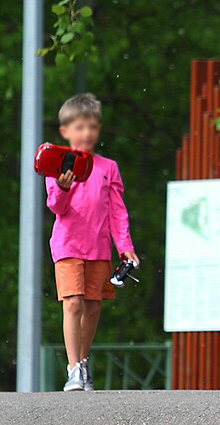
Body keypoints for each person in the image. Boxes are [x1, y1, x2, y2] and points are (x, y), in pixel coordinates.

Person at [45, 93, 138, 392]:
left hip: (99, 248)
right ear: (66, 131)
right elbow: (56, 208)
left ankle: (82, 363)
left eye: (93, 127)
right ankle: (73, 369)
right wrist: (62, 188)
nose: (87, 133)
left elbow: (117, 210)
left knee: (94, 307)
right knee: (72, 304)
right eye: (80, 127)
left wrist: (124, 245)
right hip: (67, 245)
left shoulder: (108, 167)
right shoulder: (57, 163)